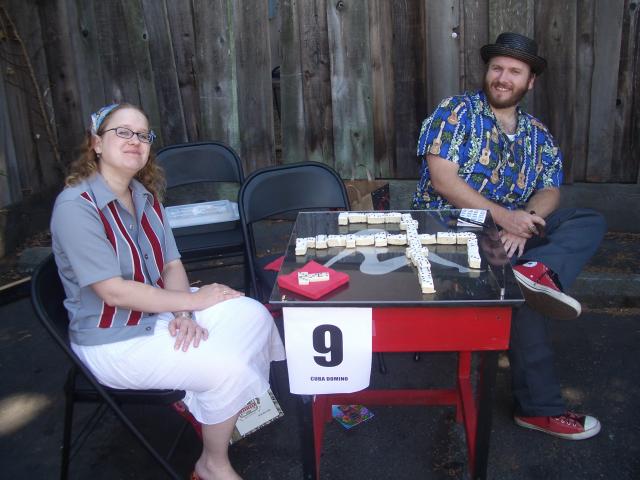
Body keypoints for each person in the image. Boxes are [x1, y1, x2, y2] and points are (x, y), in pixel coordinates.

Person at [50, 103, 285, 480]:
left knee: (251, 314)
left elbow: (171, 266)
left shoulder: (144, 196)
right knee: (227, 367)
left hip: (157, 312)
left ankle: (218, 408)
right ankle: (212, 463)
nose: (135, 140)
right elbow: (114, 293)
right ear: (96, 143)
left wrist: (184, 314)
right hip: (112, 338)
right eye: (122, 132)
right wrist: (193, 300)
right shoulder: (76, 207)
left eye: (143, 135)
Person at [412, 32, 606, 440]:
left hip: (510, 231)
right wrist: (504, 218)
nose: (502, 77)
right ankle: (539, 409)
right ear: (487, 71)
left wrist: (526, 220)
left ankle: (537, 270)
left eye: (514, 71)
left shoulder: (538, 134)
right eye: (497, 68)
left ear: (529, 82)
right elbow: (443, 180)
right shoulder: (457, 112)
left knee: (585, 220)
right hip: (452, 232)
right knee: (520, 292)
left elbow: (550, 189)